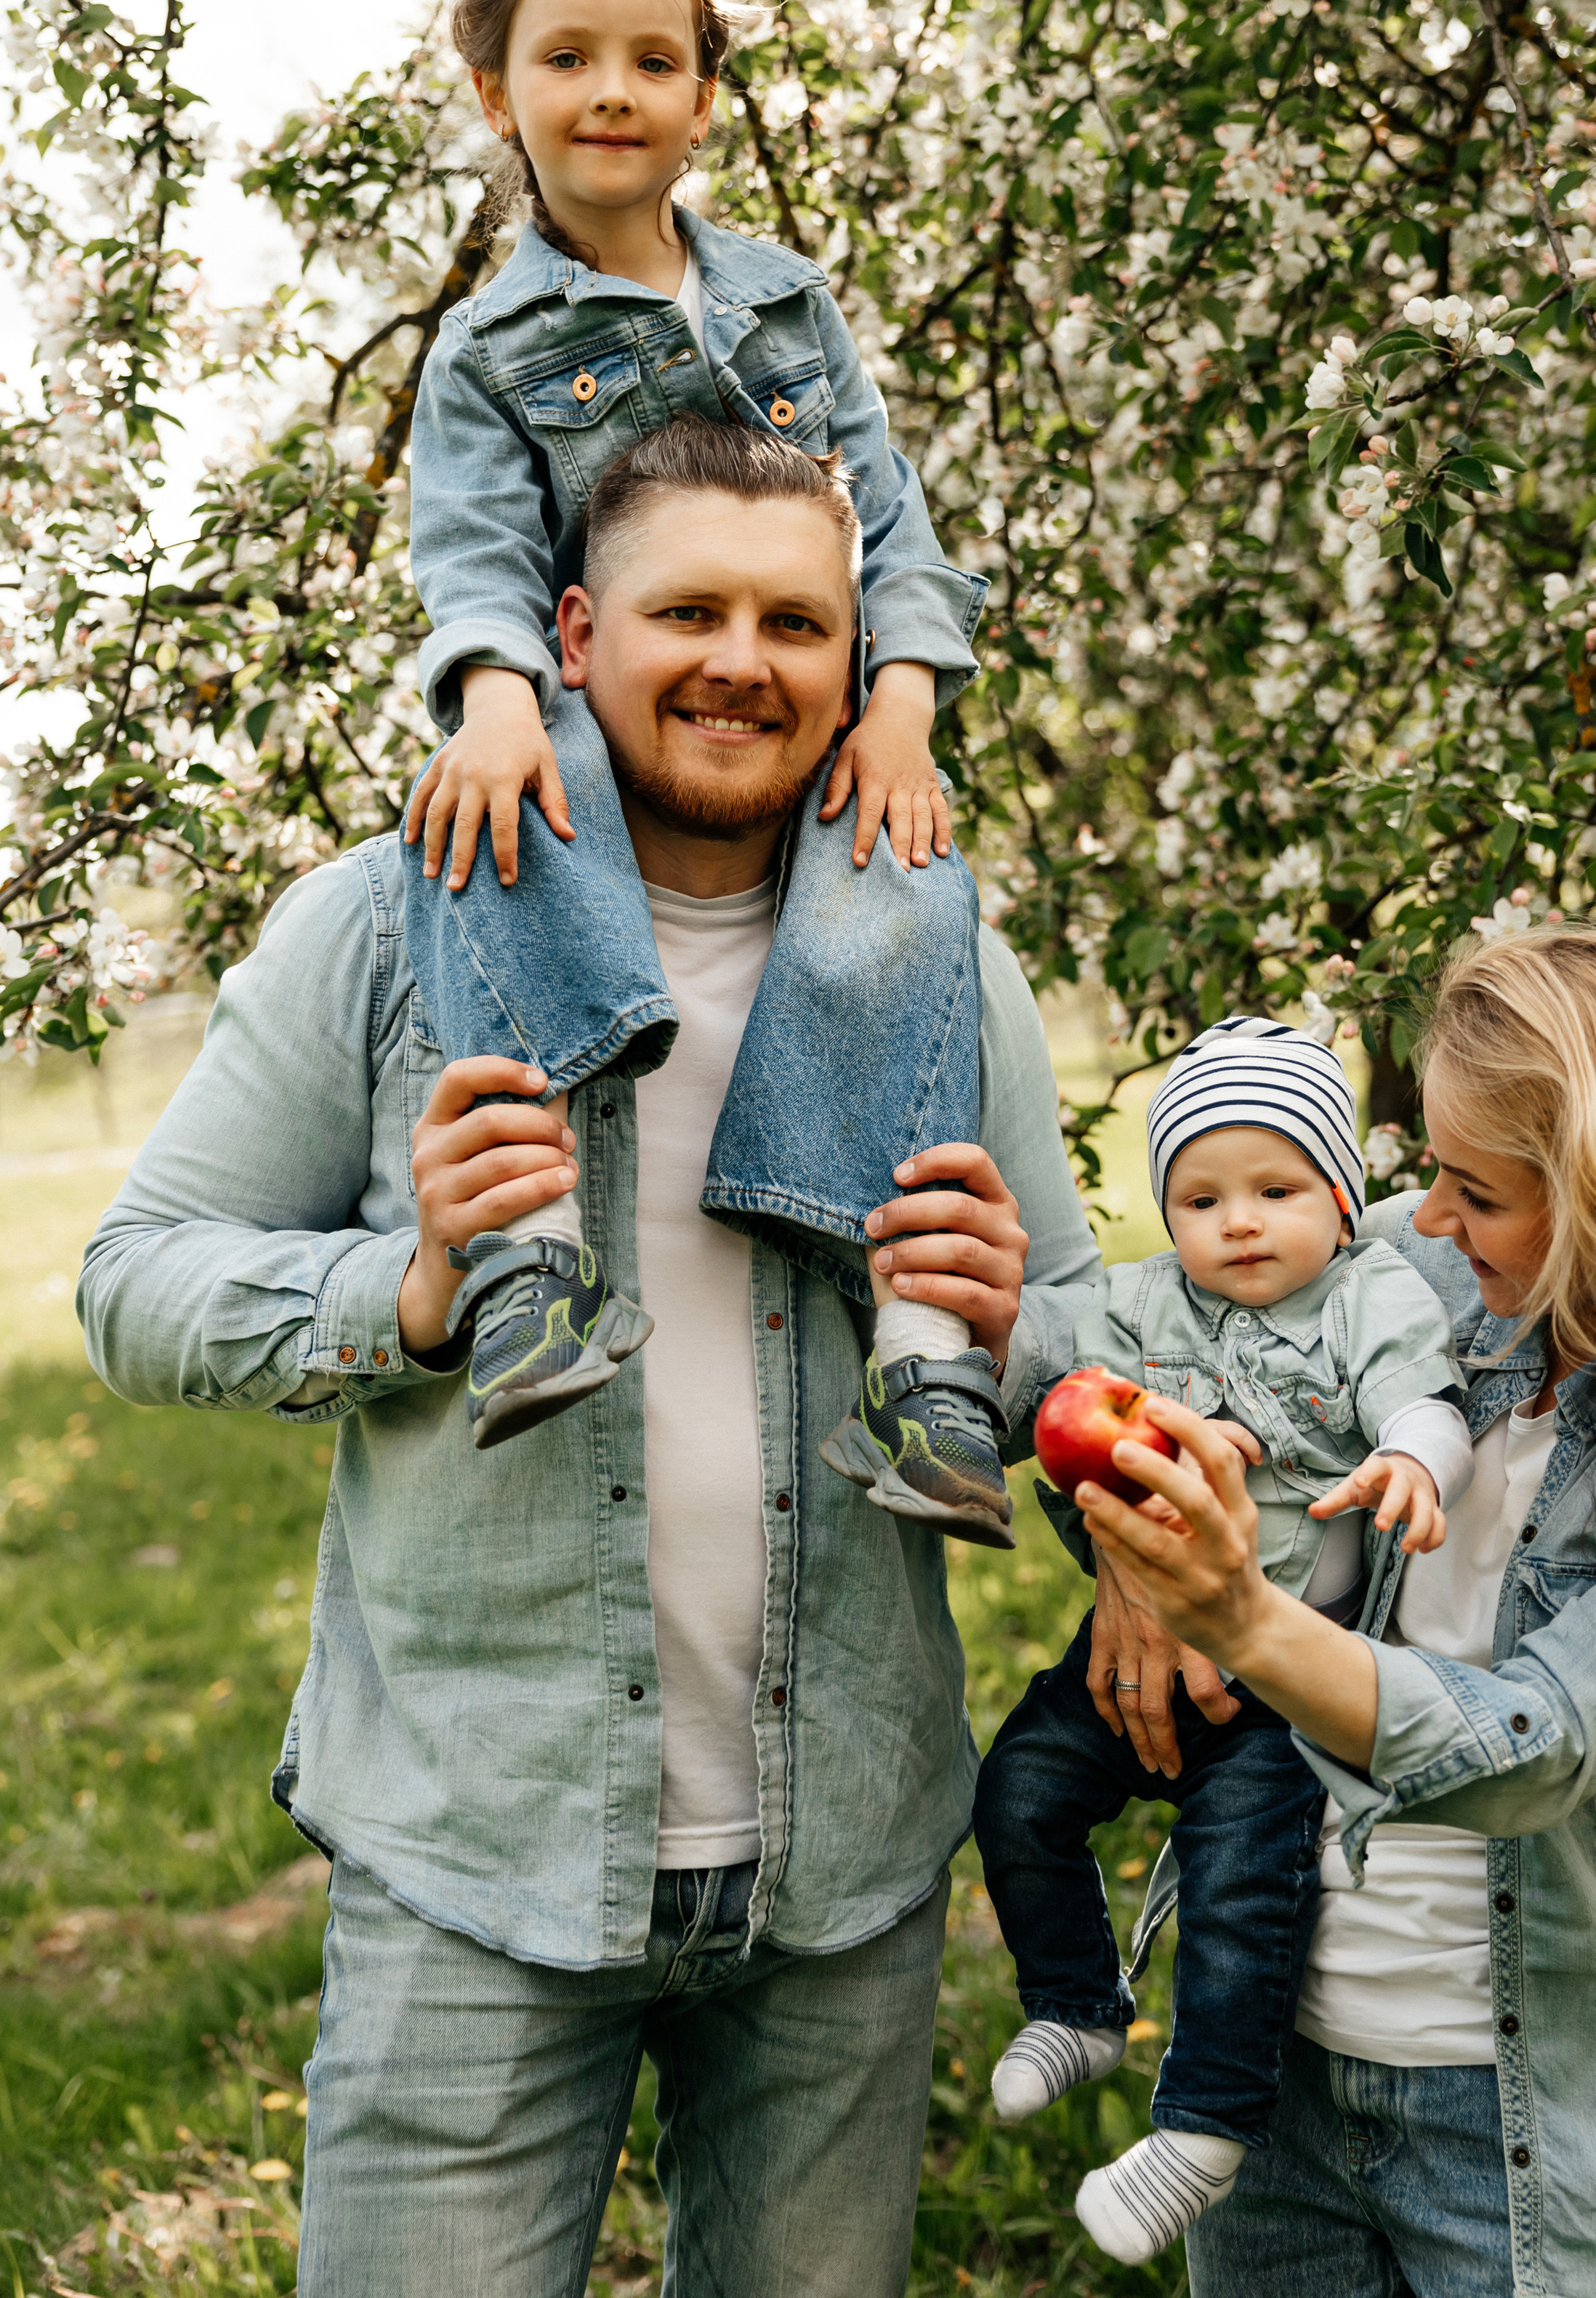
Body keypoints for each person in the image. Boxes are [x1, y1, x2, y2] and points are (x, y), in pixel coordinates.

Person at [78, 425, 1103, 2298]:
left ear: (855, 655)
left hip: (841, 1871)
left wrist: (1008, 1318)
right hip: (482, 1850)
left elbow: (1086, 1342)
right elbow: (136, 1284)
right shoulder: (388, 926)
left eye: (796, 620)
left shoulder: (934, 948)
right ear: (568, 632)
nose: (742, 660)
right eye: (686, 610)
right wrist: (414, 1286)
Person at [1071, 926, 1596, 2298]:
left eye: (1473, 1190)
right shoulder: (1412, 1284)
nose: (1423, 1217)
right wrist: (1127, 1537)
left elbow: (1534, 1747)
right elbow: (1163, 1356)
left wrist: (1247, 1620)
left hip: (1530, 2140)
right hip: (1275, 2085)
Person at [398, 0, 1011, 1542]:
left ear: (701, 99)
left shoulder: (786, 304)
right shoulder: (491, 347)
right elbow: (466, 550)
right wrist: (499, 695)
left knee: (902, 871)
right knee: (492, 815)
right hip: (580, 704)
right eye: (567, 58)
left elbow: (886, 520)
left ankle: (927, 1350)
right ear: (493, 92)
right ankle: (528, 1264)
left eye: (652, 61)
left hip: (803, 713)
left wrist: (897, 701)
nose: (612, 90)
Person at [974, 1017, 1471, 2264]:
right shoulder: (1143, 1305)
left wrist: (1412, 1460)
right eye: (1200, 1198)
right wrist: (1166, 1445)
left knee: (1247, 1888)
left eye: (1276, 1189)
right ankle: (1076, 2003)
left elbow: (1427, 1401)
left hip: (1283, 1676)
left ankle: (1203, 2127)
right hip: (1138, 1637)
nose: (1238, 1222)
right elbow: (1075, 1430)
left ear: (1343, 1198)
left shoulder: (1371, 1296)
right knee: (1020, 1789)